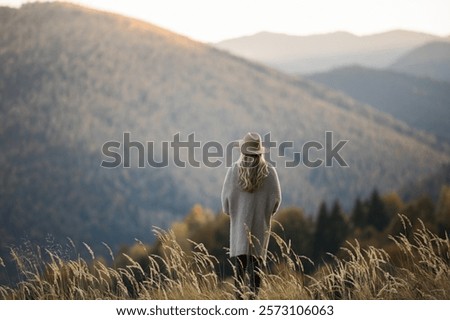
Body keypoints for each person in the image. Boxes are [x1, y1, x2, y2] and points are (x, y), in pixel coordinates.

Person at [221, 132, 282, 299]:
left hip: (239, 229)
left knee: (239, 273)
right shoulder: (270, 172)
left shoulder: (233, 170)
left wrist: (234, 213)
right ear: (260, 152)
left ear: (242, 151)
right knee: (256, 273)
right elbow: (276, 201)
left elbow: (225, 205)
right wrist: (265, 214)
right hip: (260, 229)